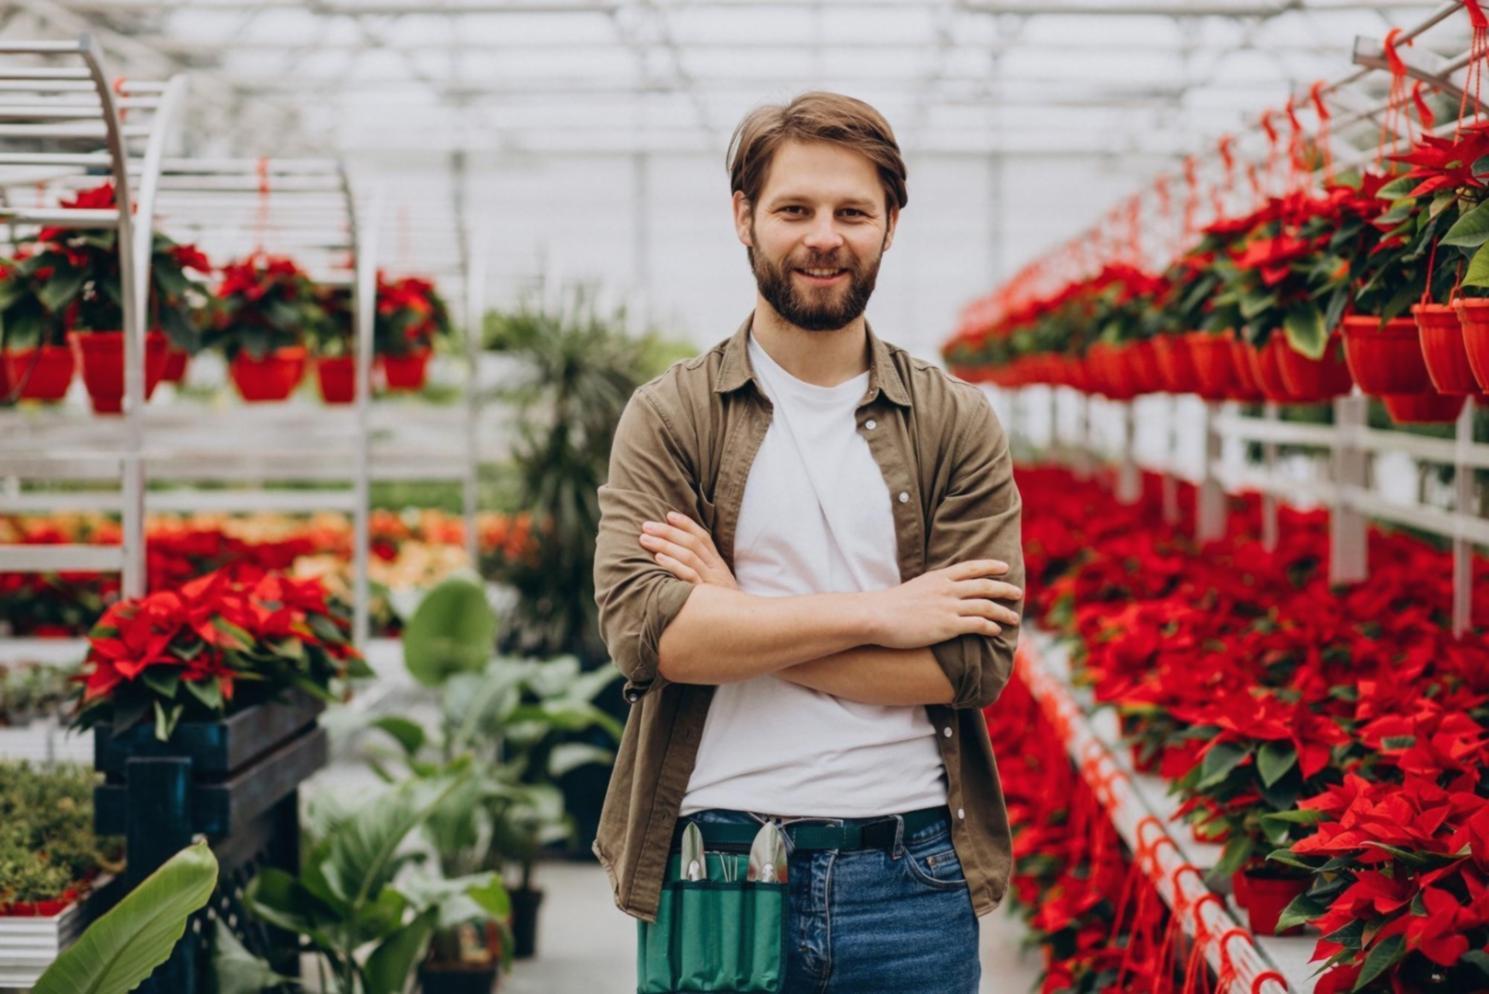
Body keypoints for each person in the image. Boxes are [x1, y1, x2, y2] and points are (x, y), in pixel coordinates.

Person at [592, 91, 1025, 994]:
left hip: (912, 878)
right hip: (716, 866)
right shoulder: (671, 415)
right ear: (745, 217)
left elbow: (970, 664)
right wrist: (884, 614)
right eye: (794, 209)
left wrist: (738, 621)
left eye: (851, 212)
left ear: (890, 225)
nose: (822, 236)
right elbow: (652, 638)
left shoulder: (953, 420)